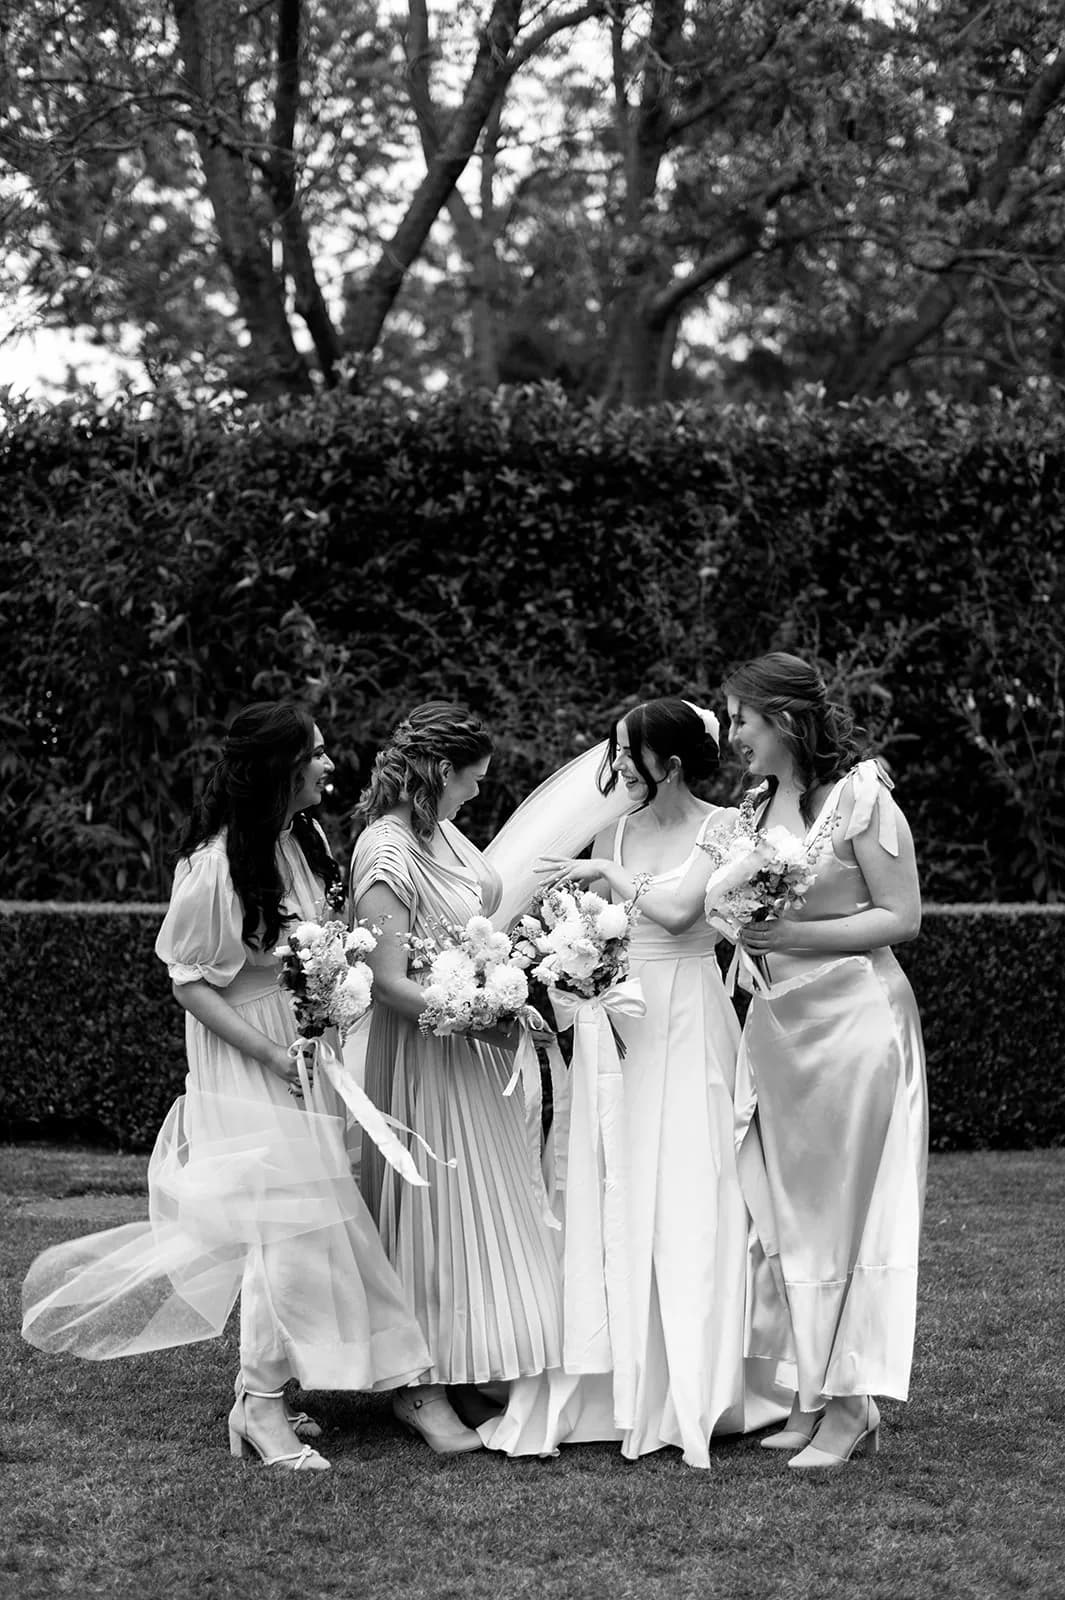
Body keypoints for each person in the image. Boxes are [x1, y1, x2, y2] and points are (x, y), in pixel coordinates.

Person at [541, 656, 928, 1473]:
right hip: (776, 1030)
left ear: (784, 721)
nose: (736, 736)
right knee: (783, 1214)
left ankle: (851, 1409)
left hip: (853, 1026)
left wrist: (789, 938)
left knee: (846, 1213)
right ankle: (809, 1394)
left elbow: (901, 916)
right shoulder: (755, 804)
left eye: (744, 720)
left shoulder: (862, 797)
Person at [22, 702, 431, 1471]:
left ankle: (268, 1394)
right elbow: (189, 983)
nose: (329, 762)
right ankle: (262, 1406)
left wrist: (327, 1002)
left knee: (305, 1226)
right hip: (249, 1056)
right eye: (315, 752)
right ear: (281, 768)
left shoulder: (302, 841)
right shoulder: (216, 866)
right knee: (287, 1233)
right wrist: (273, 1053)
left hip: (302, 1049)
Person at [479, 698, 790, 1468]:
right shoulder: (611, 828)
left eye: (626, 752)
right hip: (617, 1028)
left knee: (692, 1186)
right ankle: (608, 1383)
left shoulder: (725, 828)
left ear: (671, 762)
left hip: (689, 1020)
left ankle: (695, 1382)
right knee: (615, 1182)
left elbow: (682, 914)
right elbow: (578, 919)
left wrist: (608, 873)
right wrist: (569, 955)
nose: (613, 766)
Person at [349, 702, 563, 1454]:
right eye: (474, 777)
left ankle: (466, 1360)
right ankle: (418, 1387)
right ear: (442, 771)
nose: (480, 789)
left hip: (467, 1051)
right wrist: (481, 1014)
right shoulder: (384, 853)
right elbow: (384, 982)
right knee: (429, 1205)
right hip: (419, 1056)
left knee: (474, 1205)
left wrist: (501, 993)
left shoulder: (439, 831)